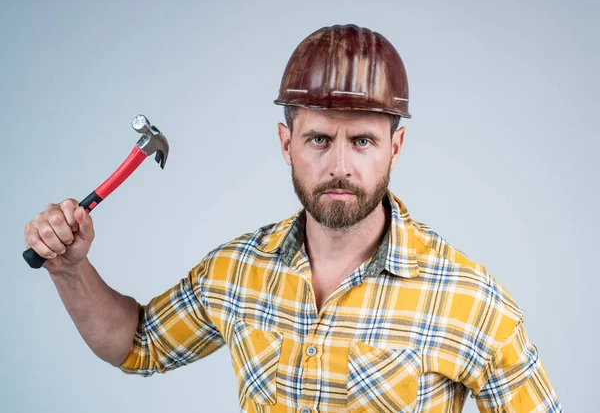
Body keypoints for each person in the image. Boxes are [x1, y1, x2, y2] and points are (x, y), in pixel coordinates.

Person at [24, 24, 563, 412]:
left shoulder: (470, 301)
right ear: (287, 143)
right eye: (319, 139)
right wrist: (70, 270)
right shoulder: (237, 270)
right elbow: (136, 343)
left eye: (363, 141)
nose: (340, 165)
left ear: (396, 147)